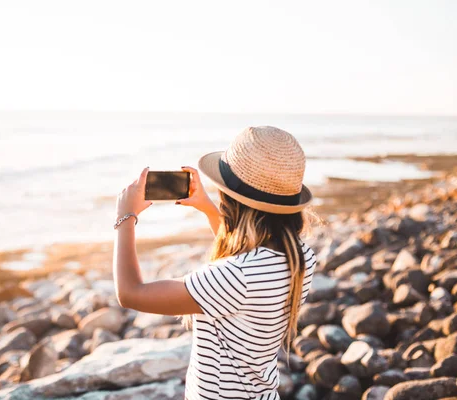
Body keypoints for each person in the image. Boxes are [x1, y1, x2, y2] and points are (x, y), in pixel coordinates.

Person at [113, 126, 317, 400]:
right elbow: (244, 255)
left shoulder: (235, 277)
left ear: (230, 197)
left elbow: (130, 293)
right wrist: (207, 207)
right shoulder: (300, 255)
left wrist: (125, 218)